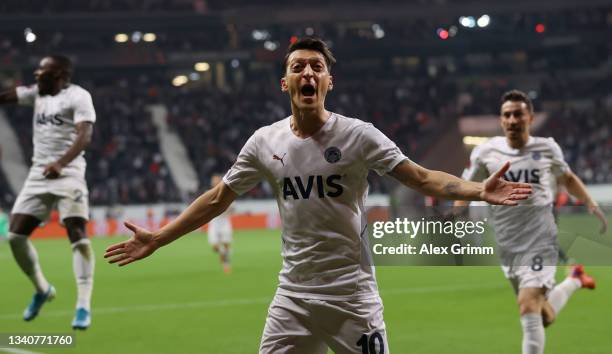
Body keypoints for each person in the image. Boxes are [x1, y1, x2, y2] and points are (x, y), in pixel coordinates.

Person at [105, 37, 531, 353]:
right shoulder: (262, 142)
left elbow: (420, 178)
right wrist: (159, 238)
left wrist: (478, 189)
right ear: (285, 82)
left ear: (328, 80)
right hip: (293, 297)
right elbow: (218, 200)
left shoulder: (359, 136)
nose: (307, 73)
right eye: (298, 67)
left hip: (352, 296)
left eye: (316, 67)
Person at [454, 90, 607, 354]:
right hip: (508, 246)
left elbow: (568, 178)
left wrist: (591, 205)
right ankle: (575, 280)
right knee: (542, 314)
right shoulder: (486, 152)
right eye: (507, 115)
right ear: (501, 120)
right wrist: (456, 211)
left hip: (541, 240)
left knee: (527, 305)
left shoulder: (547, 148)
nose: (512, 120)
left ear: (530, 118)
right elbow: (467, 185)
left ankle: (574, 279)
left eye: (518, 114)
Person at [0, 55, 96, 330]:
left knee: (77, 235)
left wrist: (61, 163)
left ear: (60, 75)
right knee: (16, 236)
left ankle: (82, 306)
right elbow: (5, 96)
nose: (36, 73)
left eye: (43, 70)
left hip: (69, 173)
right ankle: (42, 289)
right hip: (39, 175)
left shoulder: (78, 97)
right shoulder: (36, 94)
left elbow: (84, 135)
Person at [207, 174, 233, 273]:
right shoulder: (208, 193)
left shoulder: (227, 192)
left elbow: (232, 209)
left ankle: (226, 264)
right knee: (214, 247)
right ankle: (223, 253)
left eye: (217, 180)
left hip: (224, 222)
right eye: (213, 181)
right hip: (214, 223)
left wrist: (226, 209)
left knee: (226, 243)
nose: (215, 182)